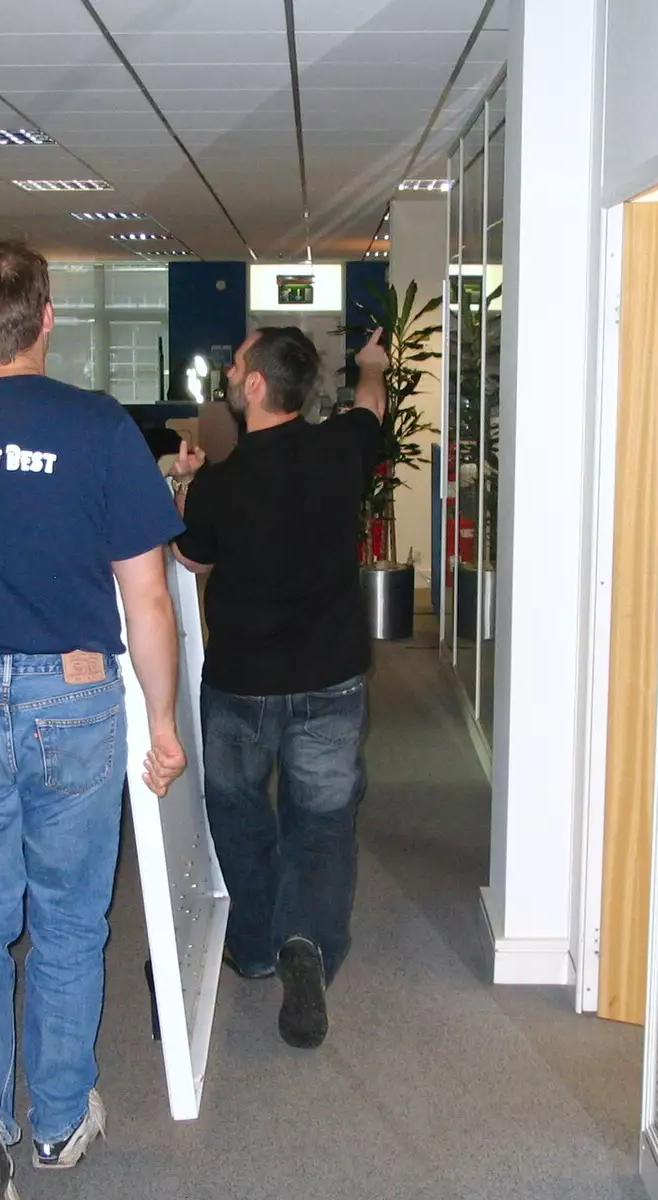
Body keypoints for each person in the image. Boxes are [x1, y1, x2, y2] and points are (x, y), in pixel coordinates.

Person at [0, 240, 187, 1200]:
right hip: (70, 695)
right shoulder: (99, 427)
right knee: (67, 920)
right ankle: (60, 1122)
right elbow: (147, 600)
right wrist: (163, 720)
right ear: (48, 316)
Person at [169, 326, 388, 1050]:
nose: (230, 373)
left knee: (237, 809)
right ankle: (307, 946)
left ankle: (260, 946)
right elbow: (372, 409)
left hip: (242, 683)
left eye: (236, 365)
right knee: (322, 820)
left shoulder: (224, 483)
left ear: (258, 385)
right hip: (330, 677)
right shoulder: (341, 451)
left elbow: (191, 562)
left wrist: (184, 486)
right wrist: (371, 366)